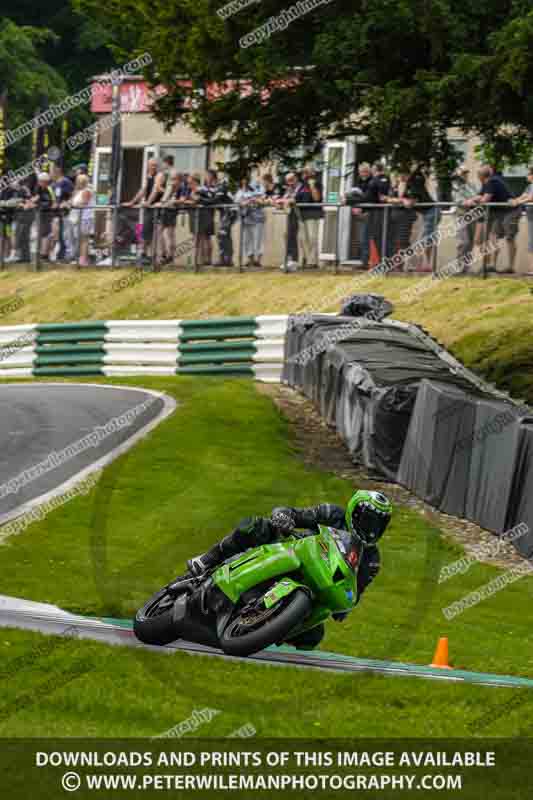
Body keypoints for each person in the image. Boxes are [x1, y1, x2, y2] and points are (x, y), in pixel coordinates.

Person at [187, 490, 392, 648]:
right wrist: (283, 516)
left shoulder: (371, 561)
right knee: (255, 526)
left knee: (313, 637)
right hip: (295, 550)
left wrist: (344, 606)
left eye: (378, 525)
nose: (371, 529)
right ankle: (208, 559)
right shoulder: (333, 513)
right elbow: (297, 514)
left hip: (318, 586)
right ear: (354, 512)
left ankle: (262, 628)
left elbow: (354, 595)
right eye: (368, 520)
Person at [466, 165, 519, 272]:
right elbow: (480, 195)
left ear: (480, 176)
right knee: (492, 237)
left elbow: (485, 199)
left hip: (511, 211)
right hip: (500, 212)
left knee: (509, 237)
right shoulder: (486, 183)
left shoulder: (492, 181)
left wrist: (473, 201)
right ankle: (492, 265)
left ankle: (511, 267)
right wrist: (472, 199)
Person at [123, 158, 162, 265]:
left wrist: (148, 203)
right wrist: (132, 202)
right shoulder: (148, 176)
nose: (153, 167)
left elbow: (155, 190)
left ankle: (154, 257)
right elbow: (143, 190)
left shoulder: (159, 175)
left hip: (157, 208)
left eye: (155, 165)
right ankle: (144, 255)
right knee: (145, 231)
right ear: (148, 166)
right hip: (149, 208)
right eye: (151, 165)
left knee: (156, 233)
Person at [451, 165, 481, 273]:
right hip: (461, 215)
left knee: (471, 242)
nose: (465, 175)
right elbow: (461, 201)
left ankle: (466, 268)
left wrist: (472, 200)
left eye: (466, 173)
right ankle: (459, 267)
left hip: (473, 214)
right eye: (463, 173)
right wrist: (471, 200)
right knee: (464, 241)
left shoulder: (472, 185)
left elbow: (478, 197)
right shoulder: (455, 186)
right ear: (458, 174)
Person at [294, 167, 323, 269]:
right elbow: (296, 199)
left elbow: (317, 198)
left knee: (312, 237)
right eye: (304, 172)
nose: (304, 174)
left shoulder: (317, 183)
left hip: (313, 214)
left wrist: (312, 186)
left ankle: (313, 261)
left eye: (306, 172)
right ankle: (307, 259)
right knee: (303, 238)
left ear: (312, 173)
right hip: (302, 215)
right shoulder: (302, 186)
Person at [236, 176, 265, 267]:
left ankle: (258, 260)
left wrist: (254, 199)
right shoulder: (240, 191)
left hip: (257, 218)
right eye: (243, 181)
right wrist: (245, 202)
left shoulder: (258, 187)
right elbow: (237, 202)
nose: (244, 182)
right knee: (247, 240)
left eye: (246, 181)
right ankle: (250, 259)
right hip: (246, 218)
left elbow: (262, 200)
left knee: (258, 240)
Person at [510, 166, 533, 273]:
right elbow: (523, 196)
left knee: (532, 241)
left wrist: (518, 202)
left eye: (528, 174)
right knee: (531, 241)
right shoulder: (529, 187)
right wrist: (514, 200)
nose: (526, 176)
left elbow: (531, 198)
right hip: (530, 216)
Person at [275, 172, 300, 271]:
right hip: (291, 215)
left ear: (296, 178)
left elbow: (297, 199)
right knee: (288, 236)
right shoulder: (289, 189)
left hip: (300, 215)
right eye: (288, 181)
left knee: (292, 236)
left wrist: (288, 200)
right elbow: (284, 199)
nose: (290, 183)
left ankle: (294, 261)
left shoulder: (300, 188)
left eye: (291, 180)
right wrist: (279, 201)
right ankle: (290, 259)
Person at [50, 163, 74, 262]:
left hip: (65, 213)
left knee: (65, 234)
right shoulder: (54, 184)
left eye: (51, 171)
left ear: (58, 170)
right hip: (56, 213)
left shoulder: (65, 182)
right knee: (57, 235)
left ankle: (68, 255)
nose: (50, 173)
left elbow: (72, 195)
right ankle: (60, 253)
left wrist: (66, 203)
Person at [68, 174, 94, 266]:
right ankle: (79, 257)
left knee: (84, 239)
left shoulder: (87, 191)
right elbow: (71, 201)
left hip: (85, 218)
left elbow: (84, 203)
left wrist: (72, 205)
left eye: (79, 181)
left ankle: (83, 259)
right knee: (78, 238)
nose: (77, 183)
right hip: (76, 218)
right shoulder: (78, 191)